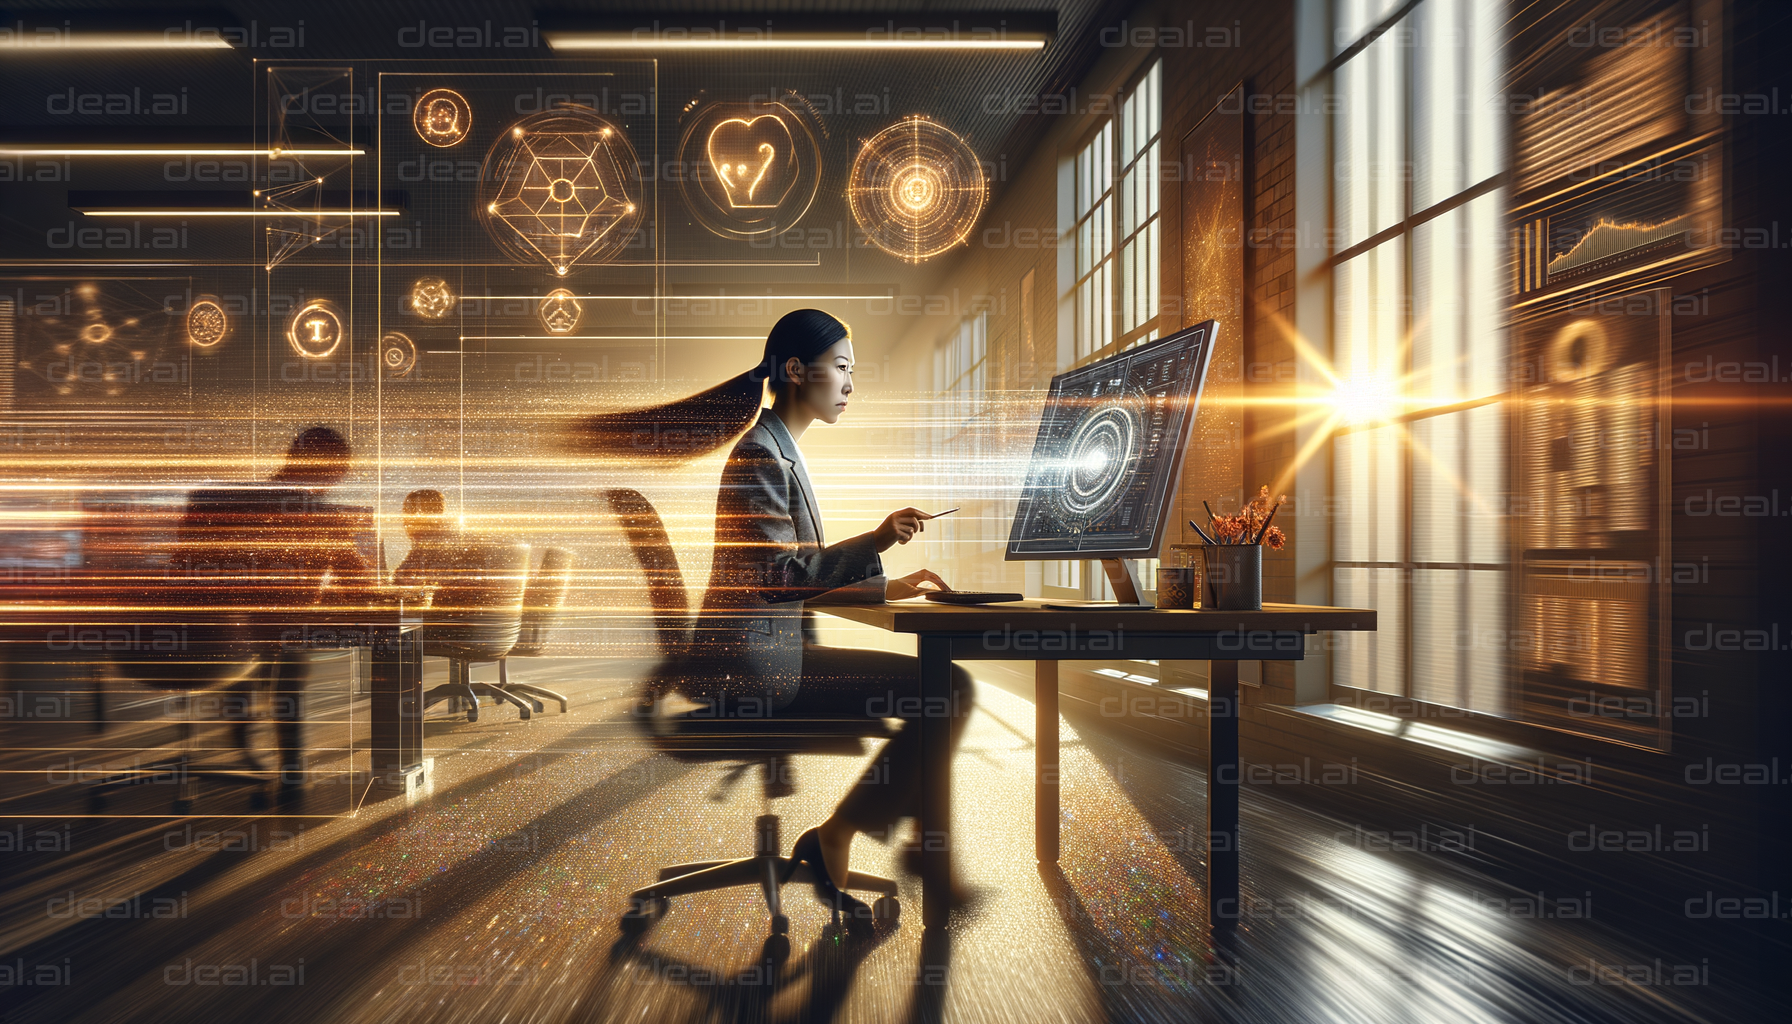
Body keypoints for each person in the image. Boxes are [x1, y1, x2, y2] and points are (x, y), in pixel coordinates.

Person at [577, 308, 975, 925]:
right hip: (756, 668)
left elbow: (784, 578)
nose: (850, 385)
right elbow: (779, 575)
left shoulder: (776, 451)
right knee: (946, 688)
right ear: (796, 369)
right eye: (841, 368)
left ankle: (878, 839)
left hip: (762, 652)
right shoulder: (761, 456)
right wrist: (874, 541)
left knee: (942, 688)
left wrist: (883, 584)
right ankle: (859, 837)